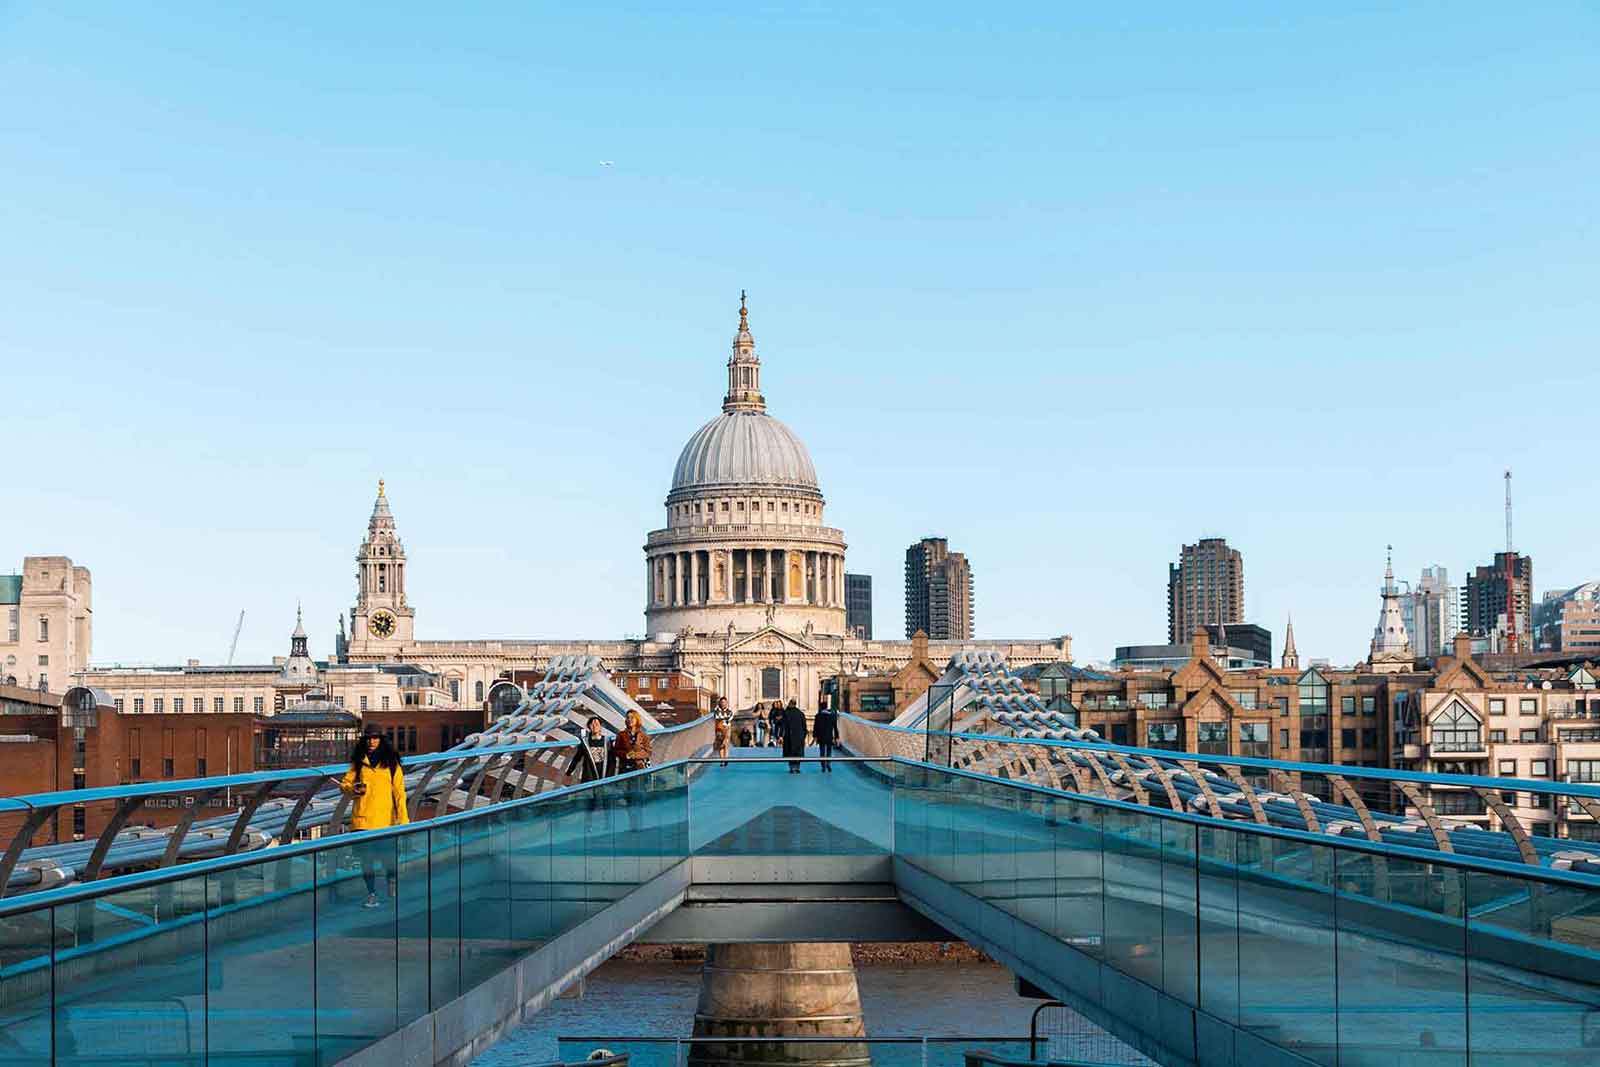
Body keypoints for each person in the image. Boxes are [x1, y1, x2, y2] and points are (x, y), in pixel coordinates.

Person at [339, 728, 409, 908]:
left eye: (375, 738)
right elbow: (345, 783)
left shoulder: (392, 763)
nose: (372, 742)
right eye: (369, 739)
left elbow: (399, 793)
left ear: (381, 740)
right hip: (362, 820)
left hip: (386, 821)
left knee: (388, 859)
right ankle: (372, 894)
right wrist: (352, 789)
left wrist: (404, 820)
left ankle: (391, 882)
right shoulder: (359, 763)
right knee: (367, 862)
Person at [567, 716, 615, 782]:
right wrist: (569, 772)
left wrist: (610, 775)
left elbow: (612, 760)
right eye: (592, 724)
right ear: (589, 727)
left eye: (597, 724)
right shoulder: (585, 742)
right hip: (589, 776)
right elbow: (577, 758)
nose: (595, 726)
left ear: (600, 727)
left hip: (604, 775)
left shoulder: (607, 742)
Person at [813, 696, 839, 773]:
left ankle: (823, 766)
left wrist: (815, 736)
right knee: (829, 751)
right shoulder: (832, 716)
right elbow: (835, 727)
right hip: (829, 736)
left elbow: (815, 727)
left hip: (821, 737)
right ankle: (828, 763)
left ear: (821, 707)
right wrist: (837, 737)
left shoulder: (818, 716)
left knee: (822, 751)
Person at [781, 698, 808, 774]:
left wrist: (781, 736)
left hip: (789, 736)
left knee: (790, 752)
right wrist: (803, 736)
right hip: (799, 737)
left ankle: (792, 768)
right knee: (798, 752)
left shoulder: (786, 713)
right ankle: (797, 767)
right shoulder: (800, 713)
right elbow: (804, 727)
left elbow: (783, 725)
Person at [713, 697, 734, 766]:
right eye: (722, 702)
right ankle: (722, 760)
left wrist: (723, 719)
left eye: (724, 702)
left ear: (726, 703)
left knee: (726, 742)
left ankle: (726, 759)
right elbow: (716, 717)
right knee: (720, 745)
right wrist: (724, 718)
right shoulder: (716, 710)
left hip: (727, 728)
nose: (723, 704)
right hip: (719, 728)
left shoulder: (729, 711)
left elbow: (730, 718)